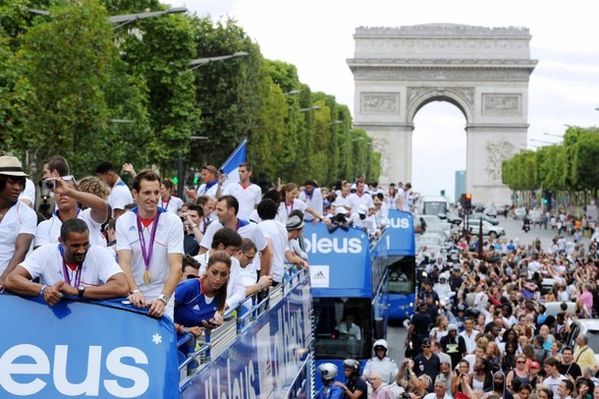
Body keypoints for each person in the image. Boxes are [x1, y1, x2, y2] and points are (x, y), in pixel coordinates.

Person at [5, 219, 128, 304]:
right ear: (61, 241)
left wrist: (78, 291)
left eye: (85, 244)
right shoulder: (45, 252)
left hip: (91, 318)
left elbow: (122, 286)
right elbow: (12, 279)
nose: (81, 250)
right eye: (75, 246)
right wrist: (43, 290)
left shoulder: (99, 253)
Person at [116, 169, 184, 319]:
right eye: (147, 193)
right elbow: (124, 263)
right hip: (133, 293)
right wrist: (134, 291)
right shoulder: (123, 221)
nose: (153, 198)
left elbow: (176, 266)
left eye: (156, 192)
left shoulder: (172, 221)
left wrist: (163, 299)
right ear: (135, 194)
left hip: (163, 293)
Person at [200, 195, 271, 285]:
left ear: (232, 210)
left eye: (220, 210)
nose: (216, 213)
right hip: (218, 280)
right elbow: (203, 250)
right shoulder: (214, 226)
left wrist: (262, 277)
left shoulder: (252, 228)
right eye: (216, 209)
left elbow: (266, 252)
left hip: (245, 281)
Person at [34, 176, 110, 248]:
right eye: (57, 190)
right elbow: (41, 256)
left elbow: (102, 206)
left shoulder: (88, 217)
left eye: (68, 189)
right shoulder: (45, 226)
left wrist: (69, 192)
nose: (62, 193)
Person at [173, 251, 231, 339]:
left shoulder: (220, 294)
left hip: (188, 347)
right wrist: (184, 329)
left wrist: (210, 324)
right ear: (207, 269)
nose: (218, 279)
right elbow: (161, 313)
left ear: (228, 275)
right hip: (168, 341)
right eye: (214, 272)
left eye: (223, 274)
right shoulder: (189, 287)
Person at [0, 156, 37, 292]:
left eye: (21, 184)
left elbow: (21, 250)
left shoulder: (27, 213)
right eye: (12, 182)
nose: (18, 188)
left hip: (12, 284)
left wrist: (3, 280)